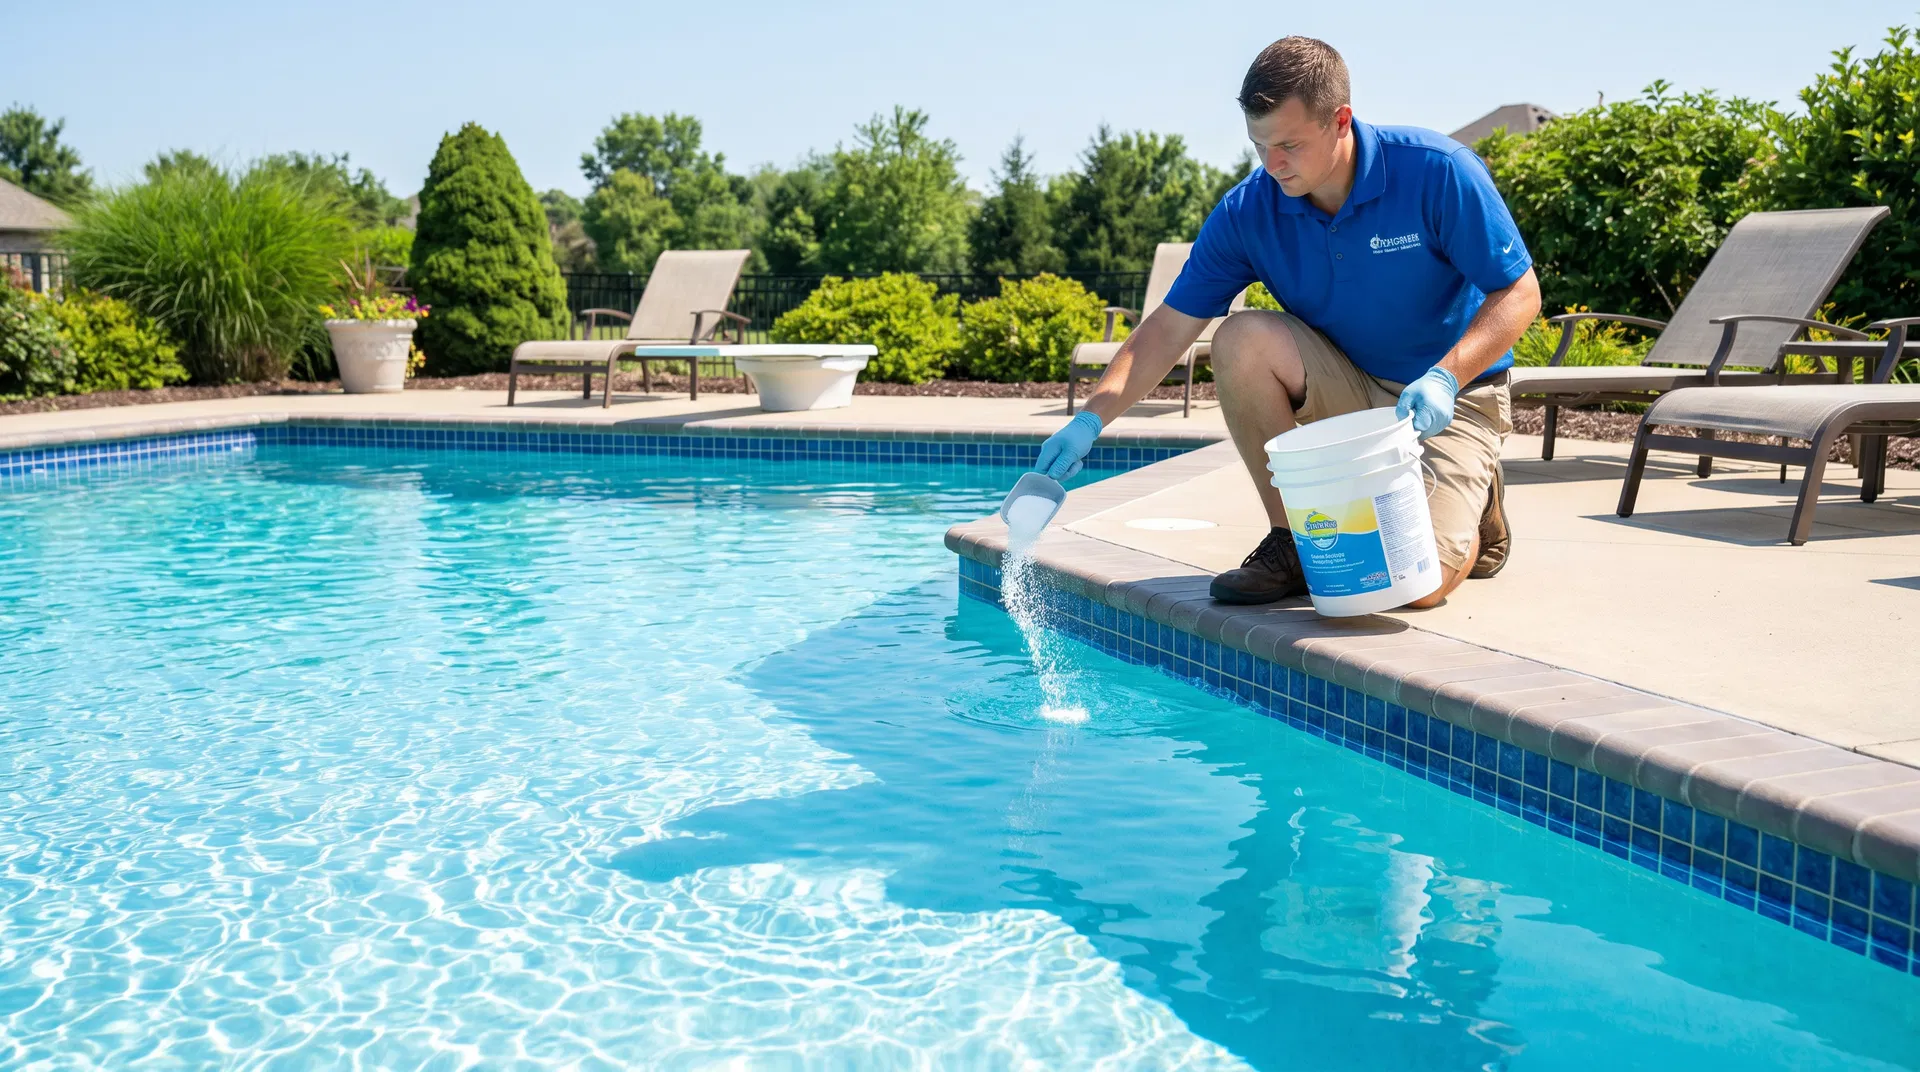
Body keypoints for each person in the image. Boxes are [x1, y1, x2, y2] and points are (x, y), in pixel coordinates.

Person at [1035, 35, 1541, 609]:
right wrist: (1091, 420)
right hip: (1347, 383)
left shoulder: (1437, 171)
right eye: (1259, 145)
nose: (1272, 164)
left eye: (1290, 145)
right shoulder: (1250, 210)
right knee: (1241, 340)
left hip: (1452, 395)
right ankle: (1294, 540)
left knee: (1412, 586)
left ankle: (1480, 510)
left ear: (1341, 120)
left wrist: (1447, 377)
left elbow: (1520, 292)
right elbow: (1169, 327)